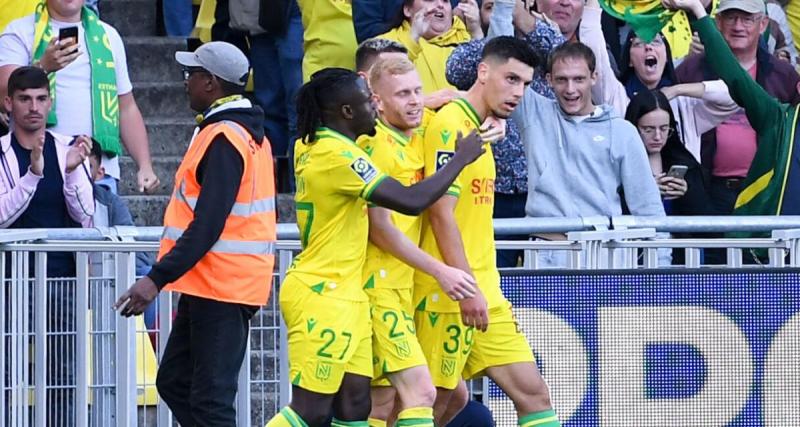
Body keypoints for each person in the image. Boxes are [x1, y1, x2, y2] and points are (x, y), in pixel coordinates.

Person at [265, 67, 486, 427]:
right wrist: (460, 158)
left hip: (348, 292)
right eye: (369, 102)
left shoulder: (311, 142)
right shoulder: (339, 156)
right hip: (324, 291)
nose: (376, 108)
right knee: (310, 410)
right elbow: (411, 201)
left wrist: (425, 101)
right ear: (347, 113)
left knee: (356, 405)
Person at [113, 42, 277, 425]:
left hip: (222, 285)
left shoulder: (225, 137)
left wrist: (154, 279)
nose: (185, 83)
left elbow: (206, 225)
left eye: (191, 75)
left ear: (210, 83)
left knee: (210, 400)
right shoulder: (236, 133)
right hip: (212, 284)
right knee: (174, 382)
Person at [417, 36, 560, 426]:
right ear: (483, 72)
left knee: (534, 395)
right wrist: (465, 288)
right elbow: (440, 214)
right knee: (432, 403)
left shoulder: (479, 127)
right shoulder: (450, 125)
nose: (518, 92)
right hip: (450, 295)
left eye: (526, 84)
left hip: (486, 290)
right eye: (510, 78)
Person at [359, 55, 490, 427]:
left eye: (418, 90)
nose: (415, 100)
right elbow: (379, 229)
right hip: (377, 287)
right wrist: (441, 271)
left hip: (403, 288)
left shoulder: (417, 134)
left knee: (437, 396)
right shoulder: (377, 146)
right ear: (378, 101)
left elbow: (460, 110)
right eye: (403, 94)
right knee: (408, 397)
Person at [1, 65, 93, 425]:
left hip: (61, 280)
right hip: (9, 283)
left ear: (50, 101)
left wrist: (70, 171)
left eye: (40, 98)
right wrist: (33, 175)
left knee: (62, 378)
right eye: (24, 99)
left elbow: (87, 215)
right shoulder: (2, 152)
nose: (33, 107)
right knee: (6, 374)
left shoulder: (66, 149)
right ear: (9, 103)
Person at [446, 0, 566, 268]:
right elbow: (454, 69)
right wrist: (498, 30)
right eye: (493, 5)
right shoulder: (477, 56)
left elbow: (566, 55)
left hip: (540, 191)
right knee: (497, 271)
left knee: (548, 284)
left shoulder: (543, 47)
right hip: (492, 191)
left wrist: (522, 18)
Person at [0, 0, 159, 194]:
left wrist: (144, 165)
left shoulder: (109, 35)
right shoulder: (19, 31)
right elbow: (4, 96)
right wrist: (43, 67)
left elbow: (126, 107)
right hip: (35, 168)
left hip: (97, 173)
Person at [664, 0, 800, 220]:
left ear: (763, 24)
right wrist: (699, 11)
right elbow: (734, 79)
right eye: (730, 18)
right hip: (708, 190)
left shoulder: (783, 77)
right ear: (718, 21)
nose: (738, 26)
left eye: (747, 19)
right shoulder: (690, 70)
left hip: (767, 196)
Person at [624, 90, 711, 215]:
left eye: (664, 129)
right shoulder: (618, 164)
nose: (657, 137)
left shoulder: (687, 165)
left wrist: (688, 193)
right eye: (648, 130)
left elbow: (706, 223)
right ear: (633, 128)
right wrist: (645, 191)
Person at [378, 0, 479, 93]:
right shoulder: (383, 44)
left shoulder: (469, 39)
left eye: (445, 0)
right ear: (407, 10)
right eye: (430, 0)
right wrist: (413, 39)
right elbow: (383, 88)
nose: (440, 4)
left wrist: (476, 32)